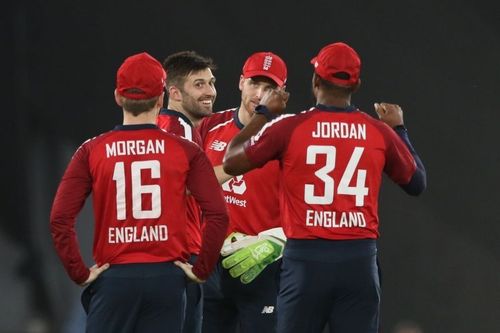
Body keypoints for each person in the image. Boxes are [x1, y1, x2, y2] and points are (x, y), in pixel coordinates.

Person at [222, 42, 426, 333]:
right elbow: (417, 183)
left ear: (315, 80)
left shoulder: (290, 127)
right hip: (359, 263)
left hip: (306, 262)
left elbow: (231, 161)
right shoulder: (377, 131)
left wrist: (264, 114)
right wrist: (399, 130)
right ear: (357, 84)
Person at [49, 52, 229, 333]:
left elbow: (60, 219)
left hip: (115, 278)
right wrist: (201, 269)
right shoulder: (185, 150)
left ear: (118, 97)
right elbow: (218, 214)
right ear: (161, 98)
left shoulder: (91, 150)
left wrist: (79, 271)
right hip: (167, 279)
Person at [197, 51, 288, 333]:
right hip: (210, 267)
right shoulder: (209, 127)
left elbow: (309, 201)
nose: (259, 94)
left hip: (263, 267)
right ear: (240, 82)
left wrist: (280, 239)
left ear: (281, 93)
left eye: (269, 88)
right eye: (254, 84)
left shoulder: (288, 137)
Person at [156, 50, 217, 333]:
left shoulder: (173, 126)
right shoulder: (176, 127)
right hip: (181, 255)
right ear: (175, 93)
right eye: (199, 84)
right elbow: (188, 186)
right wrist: (241, 164)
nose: (210, 92)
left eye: (211, 82)